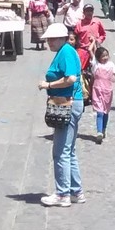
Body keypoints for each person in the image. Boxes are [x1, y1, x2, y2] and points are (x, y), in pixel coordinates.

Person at [38, 24, 84, 207]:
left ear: (61, 38)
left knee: (61, 151)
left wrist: (48, 85)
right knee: (69, 150)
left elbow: (71, 78)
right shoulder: (66, 51)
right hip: (71, 102)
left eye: (52, 39)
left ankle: (62, 194)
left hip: (67, 103)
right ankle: (76, 191)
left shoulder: (66, 52)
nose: (49, 42)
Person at [90, 46, 115, 144]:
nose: (105, 57)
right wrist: (94, 41)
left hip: (108, 91)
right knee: (99, 112)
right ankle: (99, 132)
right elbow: (90, 50)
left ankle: (103, 129)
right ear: (98, 58)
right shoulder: (96, 65)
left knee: (106, 111)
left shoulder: (111, 64)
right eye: (103, 56)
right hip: (97, 91)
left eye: (107, 55)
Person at [74, 3, 106, 69]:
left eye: (91, 11)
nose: (89, 13)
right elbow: (75, 37)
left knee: (97, 69)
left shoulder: (97, 22)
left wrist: (98, 41)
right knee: (81, 69)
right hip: (83, 50)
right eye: (87, 11)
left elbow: (103, 34)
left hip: (95, 50)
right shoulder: (79, 24)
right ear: (84, 12)